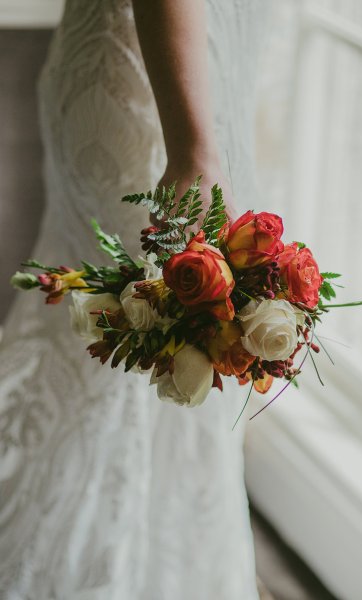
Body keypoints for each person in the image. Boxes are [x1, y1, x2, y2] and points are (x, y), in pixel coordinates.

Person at [0, 1, 271, 598]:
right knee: (129, 350)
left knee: (137, 360)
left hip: (189, 82)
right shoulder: (185, 132)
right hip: (158, 100)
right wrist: (193, 146)